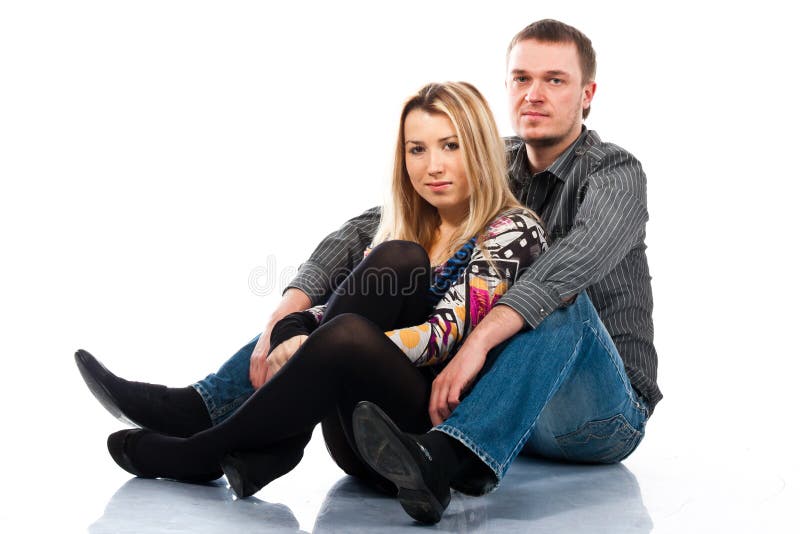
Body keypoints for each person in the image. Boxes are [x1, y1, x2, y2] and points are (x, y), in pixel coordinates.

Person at [78, 18, 661, 525]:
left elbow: (571, 264)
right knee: (395, 258)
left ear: (586, 94)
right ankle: (210, 407)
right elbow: (367, 228)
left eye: (554, 81)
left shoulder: (614, 173)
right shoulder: (491, 159)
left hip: (595, 410)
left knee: (557, 302)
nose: (534, 94)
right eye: (521, 79)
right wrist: (289, 314)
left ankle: (444, 458)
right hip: (488, 391)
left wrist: (472, 344)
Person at [75, 82, 549, 503]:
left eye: (451, 146)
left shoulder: (513, 229)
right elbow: (346, 305)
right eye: (417, 149)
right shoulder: (406, 229)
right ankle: (264, 436)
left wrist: (321, 346)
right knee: (395, 260)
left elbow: (443, 337)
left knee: (348, 326)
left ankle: (207, 451)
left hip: (416, 439)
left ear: (482, 150)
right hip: (353, 430)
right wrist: (300, 326)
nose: (433, 166)